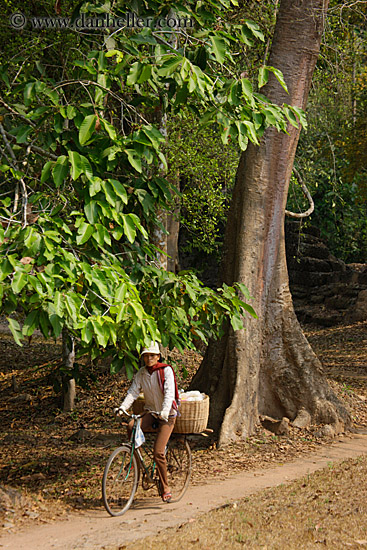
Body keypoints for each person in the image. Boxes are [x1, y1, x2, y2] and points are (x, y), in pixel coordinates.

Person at [115, 341, 179, 503]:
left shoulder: (166, 371)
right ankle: (138, 463)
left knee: (158, 452)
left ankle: (165, 487)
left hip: (167, 415)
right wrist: (122, 407)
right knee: (131, 426)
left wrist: (165, 410)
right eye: (146, 356)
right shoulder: (141, 373)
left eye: (152, 355)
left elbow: (169, 392)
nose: (149, 358)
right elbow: (133, 392)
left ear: (158, 356)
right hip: (151, 412)